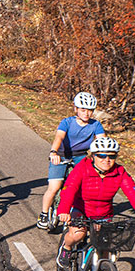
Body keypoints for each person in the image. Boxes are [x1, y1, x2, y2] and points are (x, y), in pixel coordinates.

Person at [55, 137, 135, 267]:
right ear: (93, 156)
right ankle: (66, 248)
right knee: (77, 235)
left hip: (104, 214)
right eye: (101, 155)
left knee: (106, 250)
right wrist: (63, 211)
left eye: (111, 156)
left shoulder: (119, 172)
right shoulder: (82, 168)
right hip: (82, 209)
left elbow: (134, 195)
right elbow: (69, 190)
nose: (106, 160)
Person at [37, 92, 108, 231]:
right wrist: (54, 152)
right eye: (83, 110)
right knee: (54, 187)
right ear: (76, 109)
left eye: (90, 110)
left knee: (79, 187)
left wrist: (103, 159)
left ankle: (76, 212)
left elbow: (102, 143)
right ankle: (44, 214)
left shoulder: (96, 125)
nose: (86, 113)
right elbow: (59, 137)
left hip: (80, 155)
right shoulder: (67, 122)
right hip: (61, 154)